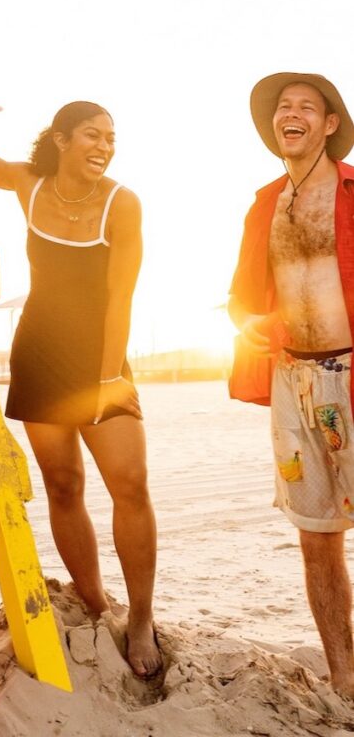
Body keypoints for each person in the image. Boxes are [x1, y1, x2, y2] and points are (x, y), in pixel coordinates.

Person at [0, 101, 162, 680]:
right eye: (92, 134)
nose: (105, 144)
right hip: (38, 355)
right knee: (63, 484)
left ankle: (139, 618)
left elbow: (121, 297)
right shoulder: (29, 186)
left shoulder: (121, 202)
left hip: (100, 360)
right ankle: (96, 604)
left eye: (112, 136)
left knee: (129, 485)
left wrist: (110, 379)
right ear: (61, 139)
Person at [229, 72, 354, 698]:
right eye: (284, 108)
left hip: (352, 368)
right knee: (316, 535)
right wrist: (248, 323)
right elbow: (241, 299)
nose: (292, 114)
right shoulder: (264, 203)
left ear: (330, 125)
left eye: (308, 106)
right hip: (293, 382)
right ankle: (345, 679)